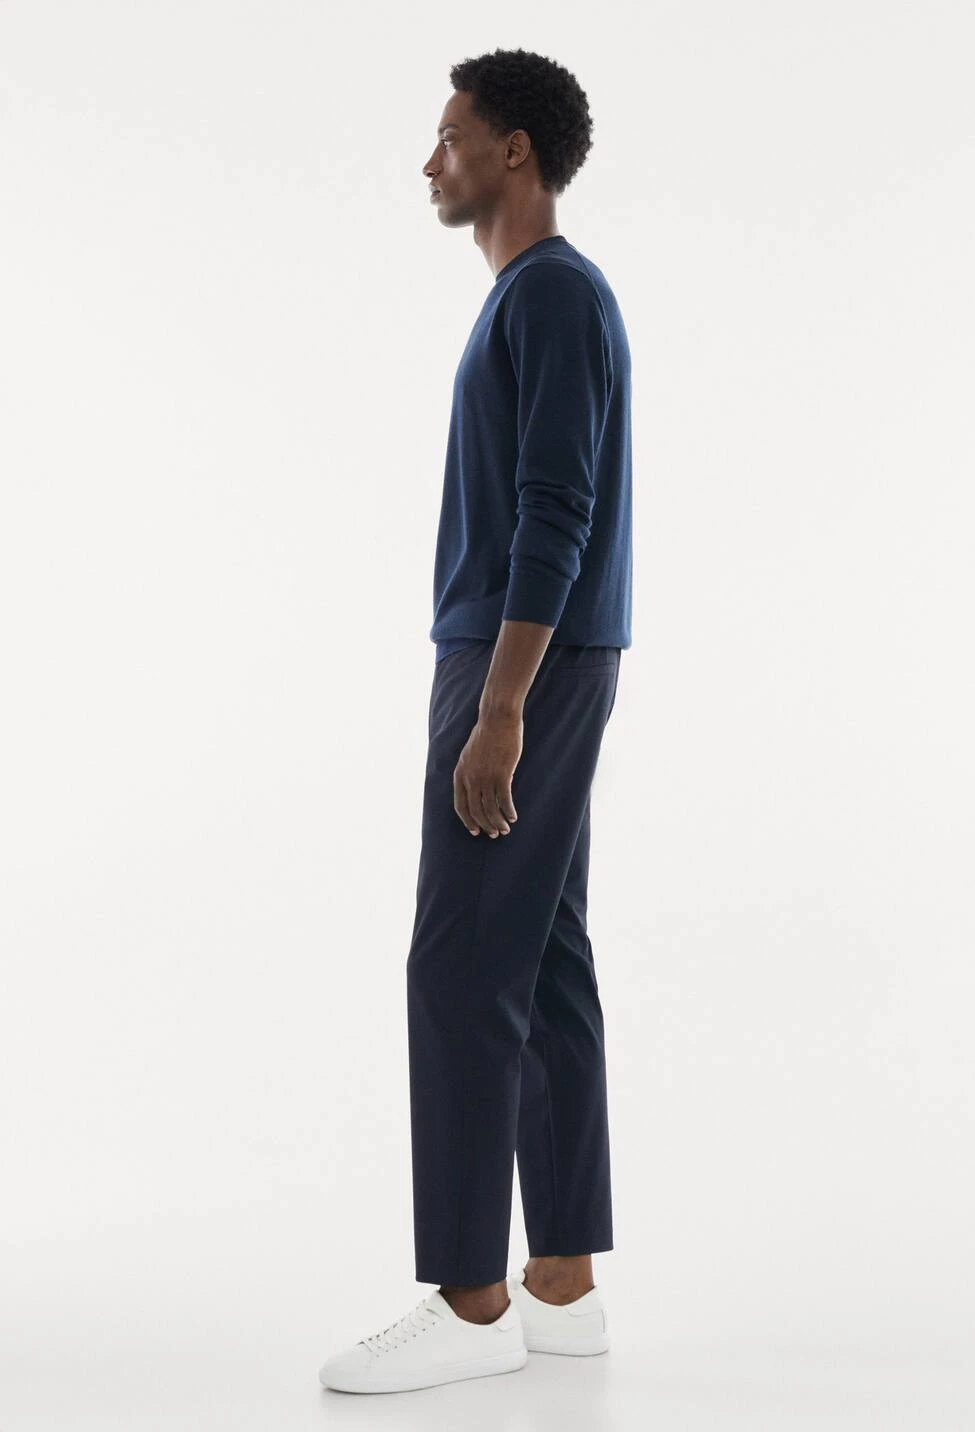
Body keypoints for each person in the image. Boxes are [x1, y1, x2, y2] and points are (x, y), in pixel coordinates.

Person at [319, 46, 633, 1395]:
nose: (430, 160)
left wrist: (499, 704)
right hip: (538, 654)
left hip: (519, 662)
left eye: (450, 137)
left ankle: (468, 1295)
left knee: (458, 966)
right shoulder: (536, 298)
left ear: (514, 151)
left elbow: (558, 507)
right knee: (541, 954)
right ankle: (562, 1286)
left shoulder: (551, 294)